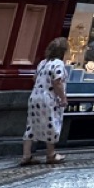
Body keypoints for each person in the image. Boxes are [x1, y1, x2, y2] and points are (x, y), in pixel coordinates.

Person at [20, 37, 70, 166]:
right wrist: (63, 98)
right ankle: (51, 154)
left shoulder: (43, 63)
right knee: (51, 123)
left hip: (35, 96)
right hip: (48, 98)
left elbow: (34, 77)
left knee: (31, 125)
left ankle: (26, 155)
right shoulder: (58, 63)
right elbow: (57, 82)